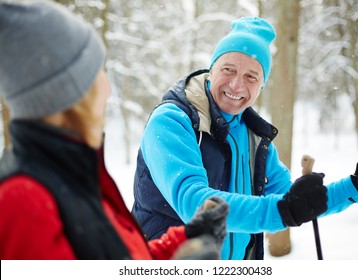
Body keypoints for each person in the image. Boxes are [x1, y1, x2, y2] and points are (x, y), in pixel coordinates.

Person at [131, 16, 358, 260]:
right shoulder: (172, 121)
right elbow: (194, 203)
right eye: (228, 69)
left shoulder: (254, 137)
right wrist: (282, 210)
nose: (236, 85)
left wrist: (355, 186)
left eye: (251, 76)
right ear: (211, 70)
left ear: (261, 86)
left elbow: (296, 201)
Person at [0, 0, 229, 260]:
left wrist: (187, 239)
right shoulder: (23, 202)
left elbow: (119, 259)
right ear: (66, 95)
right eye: (96, 74)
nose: (107, 88)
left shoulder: (70, 174)